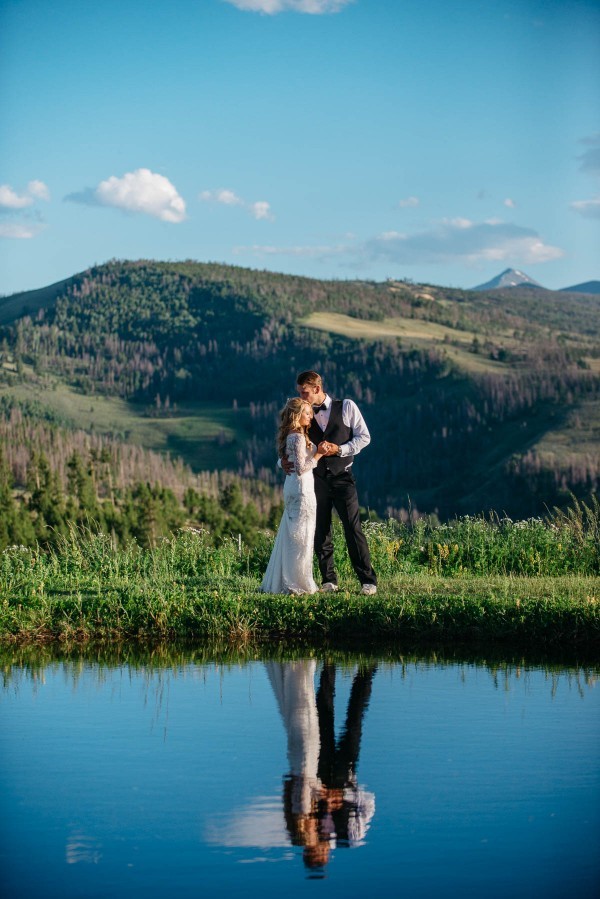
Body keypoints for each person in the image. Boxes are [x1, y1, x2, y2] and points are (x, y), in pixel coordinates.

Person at [283, 370, 377, 596]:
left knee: (353, 529)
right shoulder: (302, 412)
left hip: (343, 476)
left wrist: (340, 449)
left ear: (316, 389)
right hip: (315, 479)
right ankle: (329, 580)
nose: (301, 396)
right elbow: (291, 441)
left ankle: (367, 580)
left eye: (304, 392)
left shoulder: (347, 406)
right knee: (321, 530)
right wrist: (281, 463)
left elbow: (364, 437)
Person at [260, 397, 324, 595]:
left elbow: (290, 461)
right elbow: (301, 468)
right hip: (301, 489)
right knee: (301, 535)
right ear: (297, 415)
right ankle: (296, 582)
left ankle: (293, 578)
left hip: (296, 487)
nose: (310, 417)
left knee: (295, 533)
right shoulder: (296, 436)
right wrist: (319, 454)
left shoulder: (294, 434)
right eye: (307, 413)